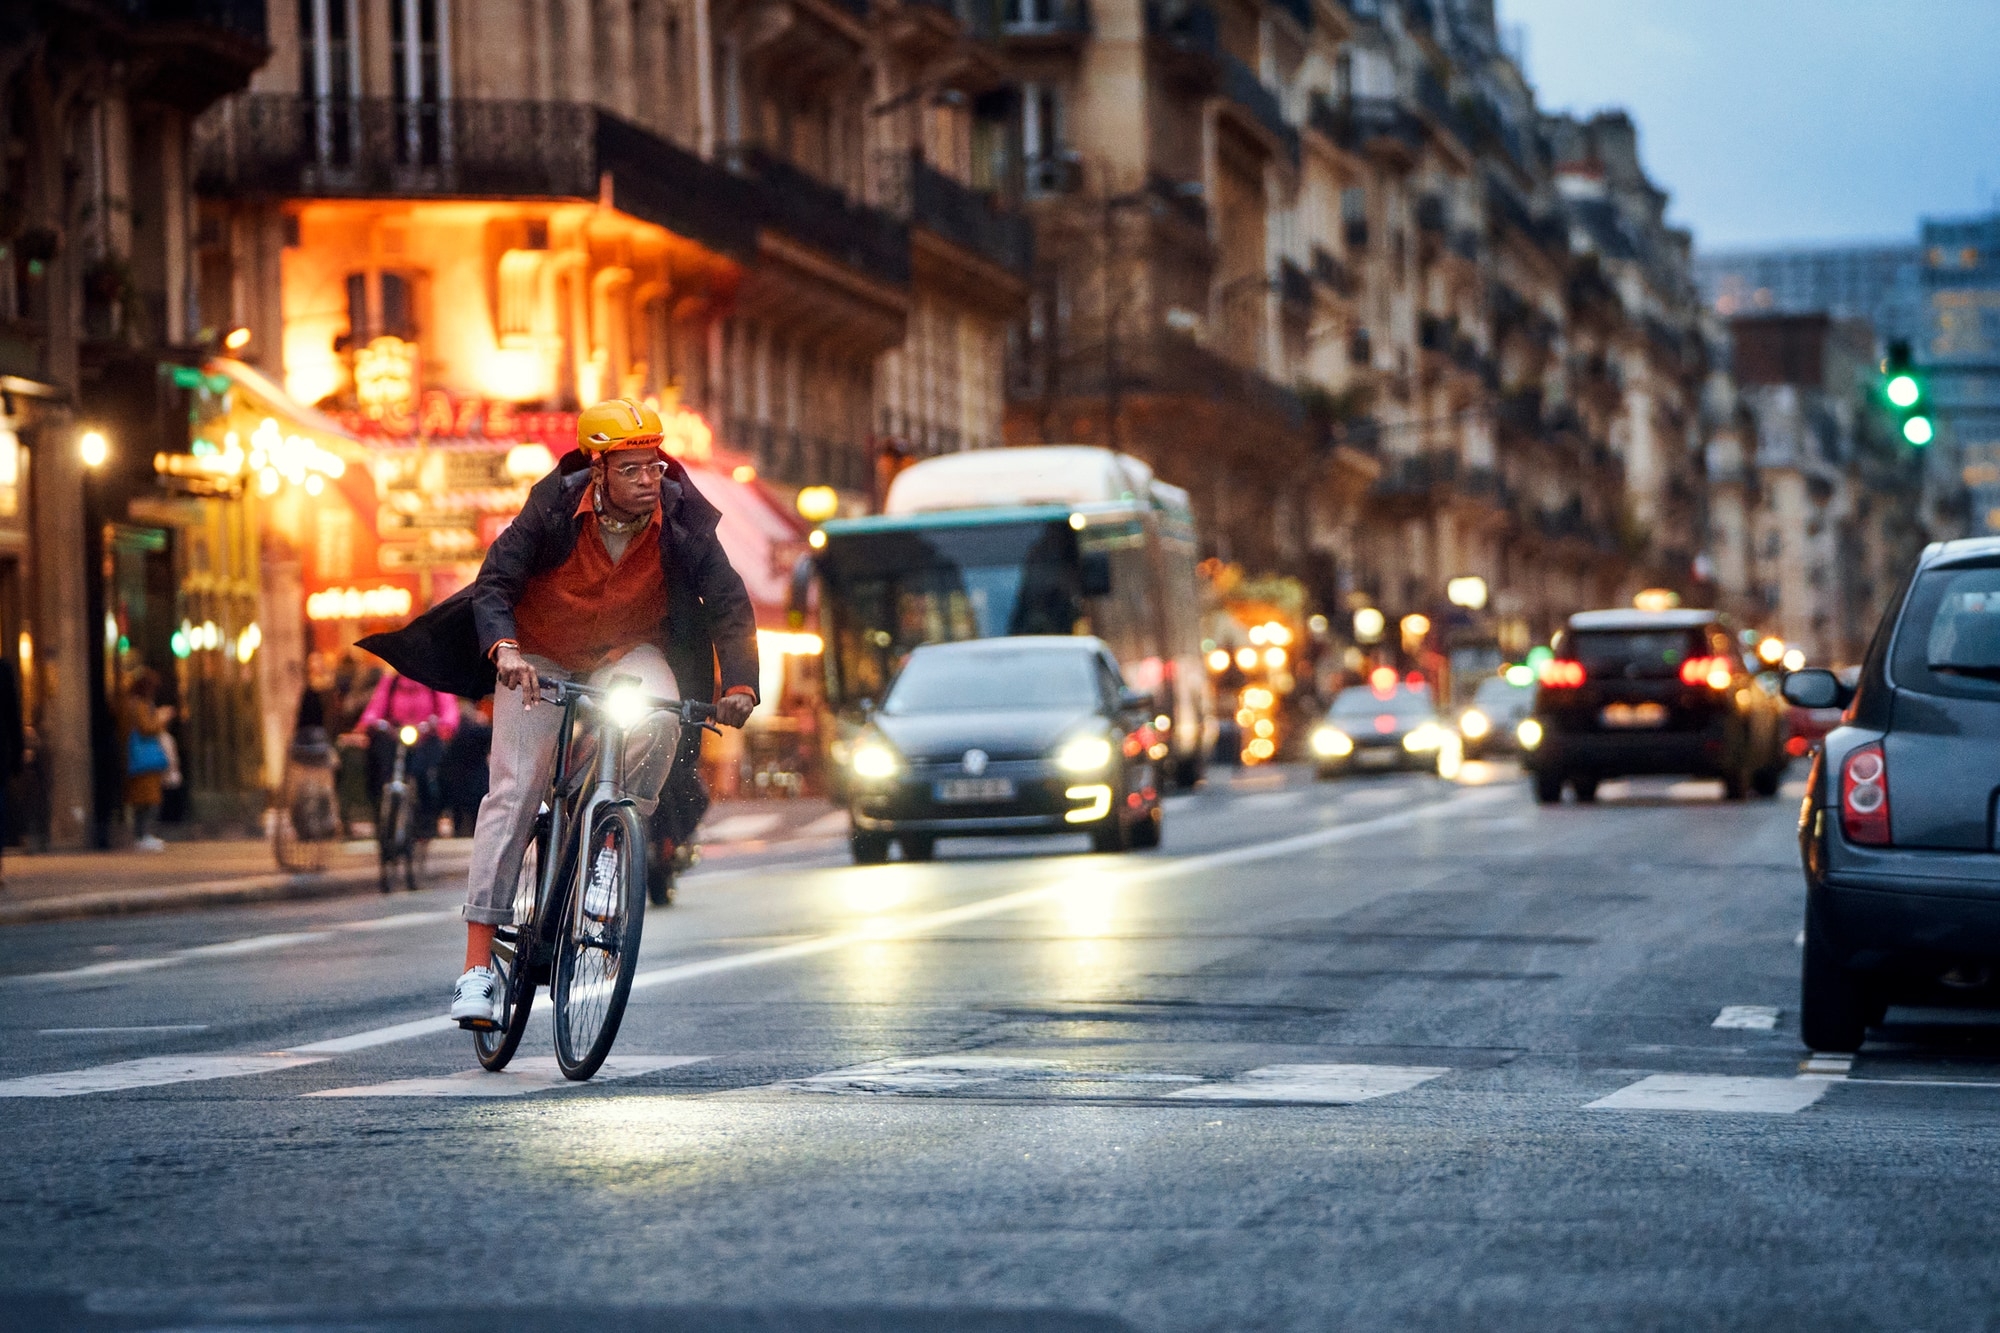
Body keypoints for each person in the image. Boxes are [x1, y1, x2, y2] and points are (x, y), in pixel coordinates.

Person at [359, 398, 759, 1025]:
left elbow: (731, 604)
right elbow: (496, 583)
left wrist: (739, 685)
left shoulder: (682, 519)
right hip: (538, 656)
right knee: (514, 791)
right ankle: (475, 969)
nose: (649, 479)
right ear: (597, 470)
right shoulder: (551, 507)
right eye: (631, 469)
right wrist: (507, 650)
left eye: (653, 466)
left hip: (630, 653)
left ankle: (609, 849)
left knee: (655, 716)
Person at [350, 670, 457, 838]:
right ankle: (384, 817)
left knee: (426, 775)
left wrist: (445, 723)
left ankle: (427, 820)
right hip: (396, 735)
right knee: (381, 770)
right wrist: (369, 723)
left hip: (425, 735)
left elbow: (448, 708)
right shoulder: (391, 681)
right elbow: (376, 706)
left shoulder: (433, 677)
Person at [120, 669, 172, 851]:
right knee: (147, 801)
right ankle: (142, 835)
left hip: (139, 758)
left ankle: (142, 835)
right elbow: (146, 727)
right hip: (144, 759)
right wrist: (160, 719)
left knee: (144, 800)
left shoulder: (132, 704)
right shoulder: (140, 705)